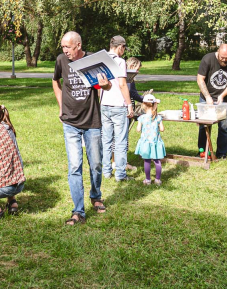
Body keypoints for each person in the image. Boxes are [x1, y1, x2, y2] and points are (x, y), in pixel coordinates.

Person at [52, 31, 108, 226]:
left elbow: (106, 86)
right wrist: (61, 106)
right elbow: (55, 81)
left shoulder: (93, 60)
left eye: (68, 47)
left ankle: (96, 195)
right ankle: (78, 211)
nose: (64, 50)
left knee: (96, 164)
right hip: (70, 122)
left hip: (92, 121)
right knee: (74, 166)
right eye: (63, 47)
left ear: (78, 45)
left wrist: (105, 85)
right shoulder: (61, 60)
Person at [196, 43, 227, 160]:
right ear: (218, 52)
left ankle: (221, 154)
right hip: (206, 98)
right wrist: (208, 97)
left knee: (223, 128)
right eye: (222, 58)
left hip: (224, 100)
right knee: (204, 126)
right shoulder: (207, 59)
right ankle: (203, 152)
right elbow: (200, 79)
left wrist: (222, 95)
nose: (224, 60)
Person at [98, 35, 133, 182]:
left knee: (106, 139)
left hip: (104, 104)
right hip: (118, 105)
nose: (124, 51)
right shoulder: (120, 61)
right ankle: (120, 174)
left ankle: (106, 172)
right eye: (124, 48)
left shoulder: (101, 60)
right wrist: (129, 104)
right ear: (120, 47)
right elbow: (122, 84)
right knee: (120, 141)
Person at [134, 93, 166, 186]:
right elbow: (162, 129)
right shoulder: (158, 117)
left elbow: (138, 129)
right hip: (156, 142)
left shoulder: (142, 118)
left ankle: (148, 180)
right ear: (155, 105)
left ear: (143, 105)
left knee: (147, 161)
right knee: (157, 161)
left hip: (146, 143)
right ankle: (158, 180)